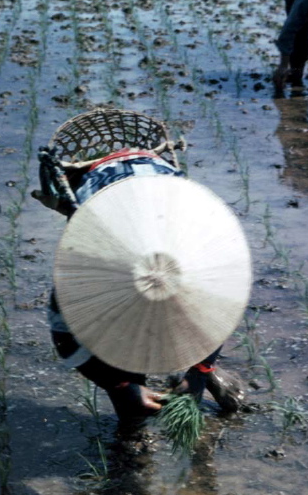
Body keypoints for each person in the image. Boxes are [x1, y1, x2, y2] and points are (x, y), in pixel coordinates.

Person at [32, 145, 245, 426]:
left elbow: (220, 311)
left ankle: (198, 378)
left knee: (194, 315)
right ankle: (133, 422)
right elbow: (65, 340)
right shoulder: (87, 267)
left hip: (163, 187)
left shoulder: (205, 254)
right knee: (121, 361)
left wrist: (200, 369)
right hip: (100, 189)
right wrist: (120, 385)